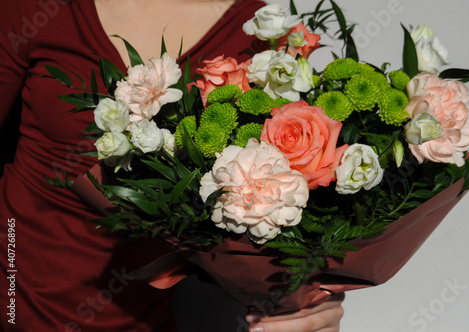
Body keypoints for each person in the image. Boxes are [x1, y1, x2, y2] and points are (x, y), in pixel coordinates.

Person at [0, 0, 344, 331]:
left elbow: (293, 214)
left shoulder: (261, 36)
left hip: (138, 319)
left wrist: (311, 302)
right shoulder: (42, 9)